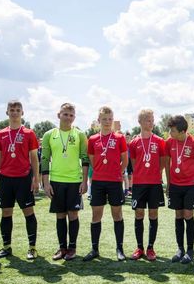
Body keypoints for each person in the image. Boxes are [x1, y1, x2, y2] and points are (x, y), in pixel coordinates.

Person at [0, 101, 40, 260]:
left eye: (18, 110)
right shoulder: (0, 134)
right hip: (5, 179)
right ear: (7, 112)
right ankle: (6, 247)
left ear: (22, 113)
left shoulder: (29, 133)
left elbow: (34, 158)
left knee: (28, 212)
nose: (15, 112)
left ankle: (32, 248)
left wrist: (36, 178)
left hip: (23, 178)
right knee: (6, 213)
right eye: (12, 110)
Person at [41, 103, 89, 261]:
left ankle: (72, 248)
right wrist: (46, 183)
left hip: (75, 181)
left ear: (74, 117)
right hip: (56, 181)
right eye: (65, 114)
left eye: (71, 115)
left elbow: (85, 158)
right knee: (60, 215)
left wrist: (84, 181)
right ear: (59, 115)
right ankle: (62, 248)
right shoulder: (49, 135)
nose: (68, 117)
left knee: (73, 214)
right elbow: (44, 159)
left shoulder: (80, 135)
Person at [83, 107, 128, 262]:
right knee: (96, 215)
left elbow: (125, 159)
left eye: (110, 119)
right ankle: (94, 249)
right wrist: (100, 170)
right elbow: (91, 159)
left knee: (117, 214)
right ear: (99, 120)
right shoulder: (92, 139)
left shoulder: (119, 138)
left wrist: (117, 172)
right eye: (104, 119)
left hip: (115, 182)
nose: (107, 122)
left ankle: (119, 249)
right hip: (98, 182)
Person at [165, 115, 194, 264]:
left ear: (182, 131)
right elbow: (167, 162)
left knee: (188, 215)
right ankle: (180, 249)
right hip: (175, 185)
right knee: (178, 215)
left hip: (190, 185)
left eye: (173, 130)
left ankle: (190, 250)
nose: (170, 133)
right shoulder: (169, 142)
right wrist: (168, 183)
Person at [129, 109, 167, 261]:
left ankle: (150, 248)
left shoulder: (159, 141)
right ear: (140, 122)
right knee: (139, 214)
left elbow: (163, 161)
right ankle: (139, 247)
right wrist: (142, 173)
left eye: (152, 120)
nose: (151, 123)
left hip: (154, 184)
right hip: (139, 184)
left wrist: (156, 172)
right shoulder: (134, 142)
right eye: (148, 120)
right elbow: (134, 163)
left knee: (153, 214)